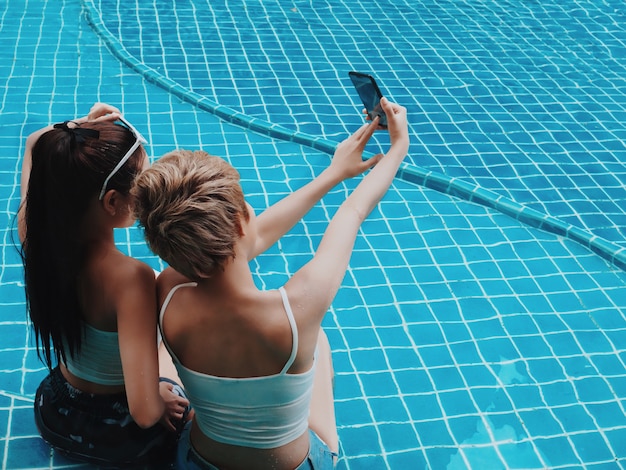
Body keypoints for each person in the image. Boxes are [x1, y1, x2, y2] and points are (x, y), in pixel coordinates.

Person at [131, 96, 408, 470]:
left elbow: (250, 240)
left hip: (198, 462)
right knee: (319, 344)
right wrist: (398, 145)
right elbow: (354, 211)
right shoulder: (297, 312)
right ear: (245, 219)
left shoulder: (167, 290)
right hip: (293, 464)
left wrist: (332, 174)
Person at [18, 103, 190, 467]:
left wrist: (75, 133)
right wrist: (160, 395)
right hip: (119, 434)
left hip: (55, 410)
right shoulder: (130, 279)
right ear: (112, 201)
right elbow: (144, 413)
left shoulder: (36, 237)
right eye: (142, 183)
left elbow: (36, 144)